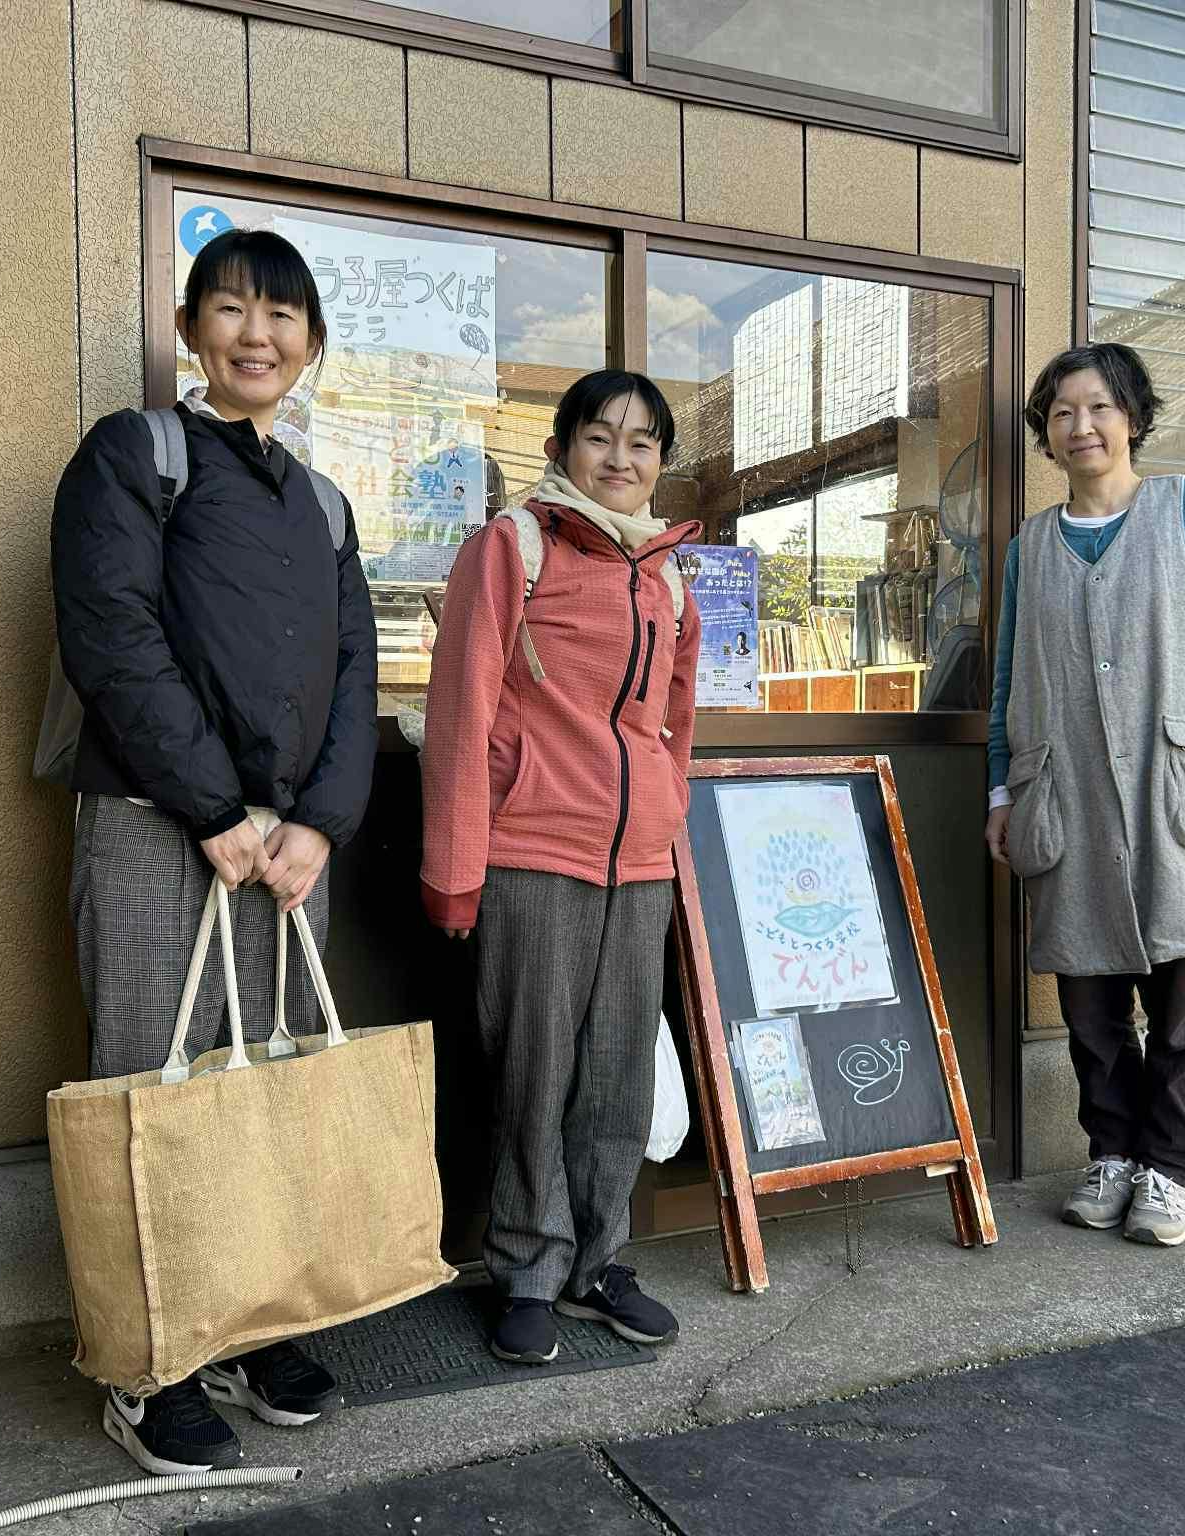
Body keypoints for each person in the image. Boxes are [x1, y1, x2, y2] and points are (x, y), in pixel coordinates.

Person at [51, 227, 377, 1473]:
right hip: (157, 825)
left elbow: (354, 674)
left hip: (287, 850)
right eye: (231, 308)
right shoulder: (137, 454)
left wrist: (319, 824)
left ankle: (246, 1329)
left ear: (311, 344)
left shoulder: (323, 501)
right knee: (154, 1093)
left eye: (282, 316)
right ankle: (148, 1369)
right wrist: (215, 810)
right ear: (189, 329)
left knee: (269, 1086)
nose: (257, 334)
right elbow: (113, 632)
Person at [420, 369, 700, 1363]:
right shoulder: (515, 545)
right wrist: (454, 868)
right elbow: (460, 710)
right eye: (599, 437)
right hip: (532, 850)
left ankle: (596, 1262)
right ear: (560, 447)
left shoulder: (667, 574)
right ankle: (528, 1269)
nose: (620, 458)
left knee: (617, 1074)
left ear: (660, 461)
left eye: (641, 442)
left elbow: (673, 725)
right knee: (532, 1073)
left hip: (639, 865)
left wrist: (664, 822)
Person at [984, 342, 1185, 1248]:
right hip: (1066, 798)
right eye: (1062, 412)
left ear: (1132, 417)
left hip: (1175, 787)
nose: (1082, 426)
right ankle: (1112, 1152)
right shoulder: (1031, 545)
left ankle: (1169, 1169)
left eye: (1099, 406)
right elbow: (1008, 680)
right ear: (1047, 432)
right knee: (1092, 1011)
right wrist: (1001, 790)